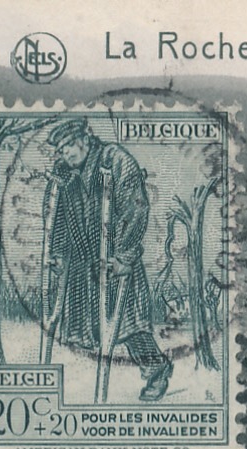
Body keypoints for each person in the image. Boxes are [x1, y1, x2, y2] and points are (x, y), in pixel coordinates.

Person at [45, 118, 173, 401]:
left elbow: (136, 207)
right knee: (91, 327)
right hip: (83, 262)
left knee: (128, 323)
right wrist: (56, 253)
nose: (67, 153)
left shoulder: (114, 159)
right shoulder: (64, 174)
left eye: (70, 144)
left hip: (114, 258)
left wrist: (124, 256)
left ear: (86, 138)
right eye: (62, 149)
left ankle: (156, 370)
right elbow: (56, 218)